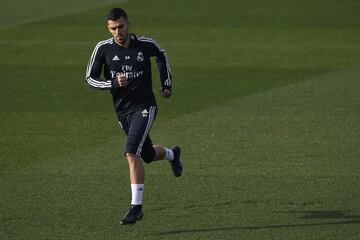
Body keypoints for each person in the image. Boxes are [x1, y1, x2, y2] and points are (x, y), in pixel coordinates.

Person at [85, 7, 182, 225]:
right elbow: (90, 79)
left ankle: (136, 208)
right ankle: (172, 155)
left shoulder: (145, 44)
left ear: (129, 24)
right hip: (123, 111)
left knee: (131, 151)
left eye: (121, 26)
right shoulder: (102, 49)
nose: (118, 32)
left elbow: (162, 55)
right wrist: (112, 83)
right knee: (145, 154)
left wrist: (166, 84)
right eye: (113, 28)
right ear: (108, 28)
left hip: (145, 106)